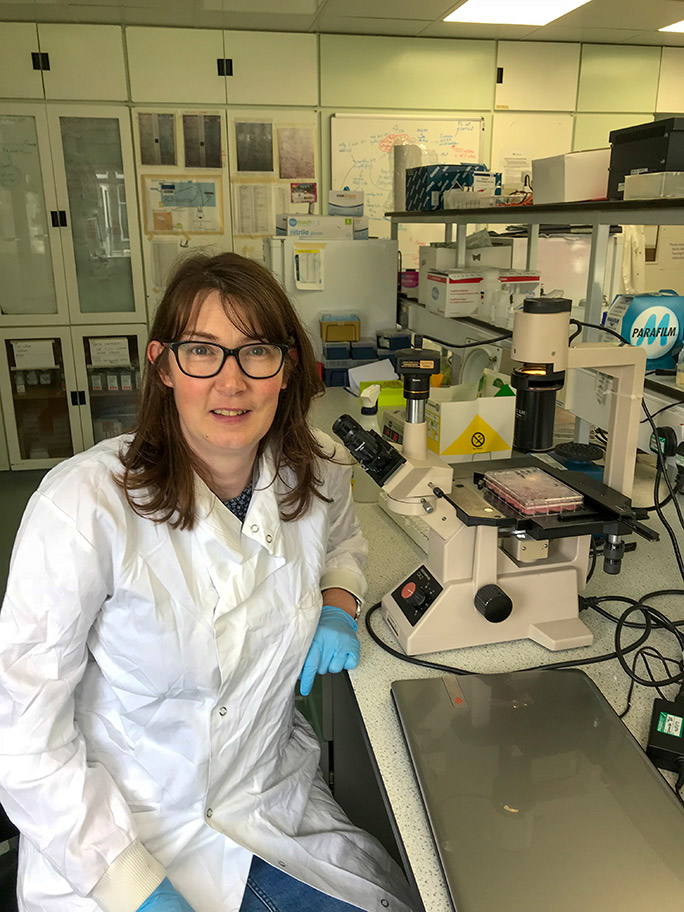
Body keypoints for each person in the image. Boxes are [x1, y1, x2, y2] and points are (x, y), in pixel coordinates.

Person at [0, 253, 416, 912]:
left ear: (286, 369)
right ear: (164, 366)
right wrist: (134, 889)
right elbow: (22, 738)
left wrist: (338, 599)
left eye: (256, 351)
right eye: (202, 351)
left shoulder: (317, 467)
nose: (231, 381)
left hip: (271, 806)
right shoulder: (83, 506)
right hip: (119, 840)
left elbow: (344, 540)